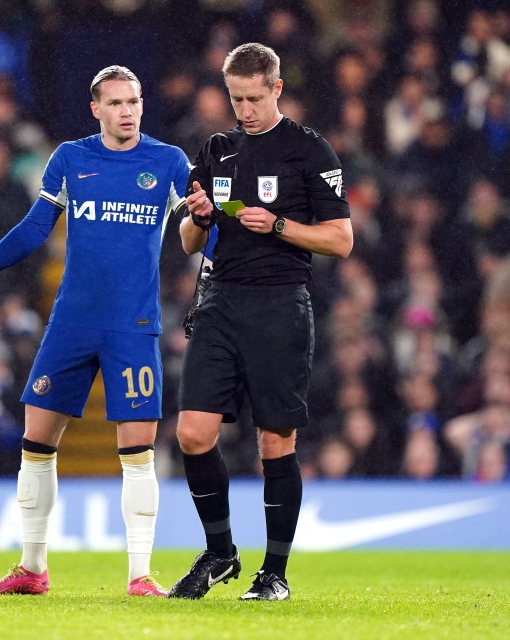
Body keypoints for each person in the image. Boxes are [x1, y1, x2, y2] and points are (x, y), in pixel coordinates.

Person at [0, 66, 190, 597]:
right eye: (115, 103)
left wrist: (212, 265)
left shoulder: (168, 162)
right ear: (96, 108)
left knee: (137, 450)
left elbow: (195, 231)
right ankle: (31, 568)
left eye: (134, 100)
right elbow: (34, 228)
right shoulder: (71, 157)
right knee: (36, 441)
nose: (128, 111)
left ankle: (140, 575)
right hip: (71, 322)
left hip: (132, 325)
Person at [167, 43, 353, 602]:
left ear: (276, 89)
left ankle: (274, 574)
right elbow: (186, 242)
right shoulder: (217, 150)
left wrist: (278, 227)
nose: (244, 109)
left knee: (276, 441)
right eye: (235, 98)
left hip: (279, 304)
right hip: (220, 300)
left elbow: (341, 240)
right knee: (192, 434)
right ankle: (221, 552)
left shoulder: (308, 149)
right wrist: (198, 219)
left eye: (253, 97)